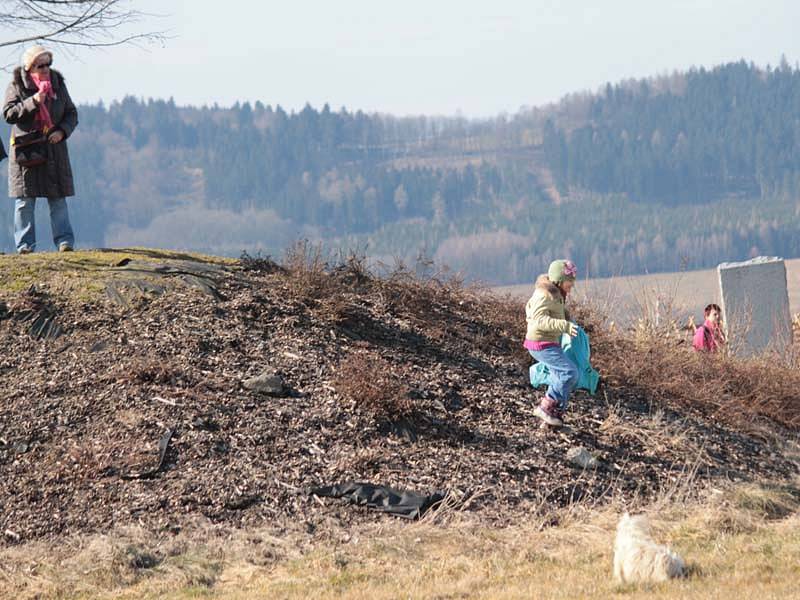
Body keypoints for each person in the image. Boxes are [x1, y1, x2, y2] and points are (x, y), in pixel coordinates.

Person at [4, 45, 78, 254]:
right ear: (29, 67)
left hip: (54, 150)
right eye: (40, 65)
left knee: (58, 198)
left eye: (48, 64)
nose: (46, 69)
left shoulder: (58, 84)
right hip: (26, 151)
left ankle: (65, 243)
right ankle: (25, 245)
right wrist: (33, 102)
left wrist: (62, 131)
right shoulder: (16, 85)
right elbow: (9, 114)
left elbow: (71, 113)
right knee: (25, 201)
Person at [524, 259, 580, 426]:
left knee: (562, 375)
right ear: (559, 281)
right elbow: (539, 320)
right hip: (541, 342)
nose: (571, 287)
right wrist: (564, 325)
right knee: (569, 373)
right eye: (569, 283)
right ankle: (546, 406)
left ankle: (553, 418)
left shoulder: (557, 295)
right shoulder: (544, 294)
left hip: (550, 341)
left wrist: (568, 318)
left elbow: (557, 312)